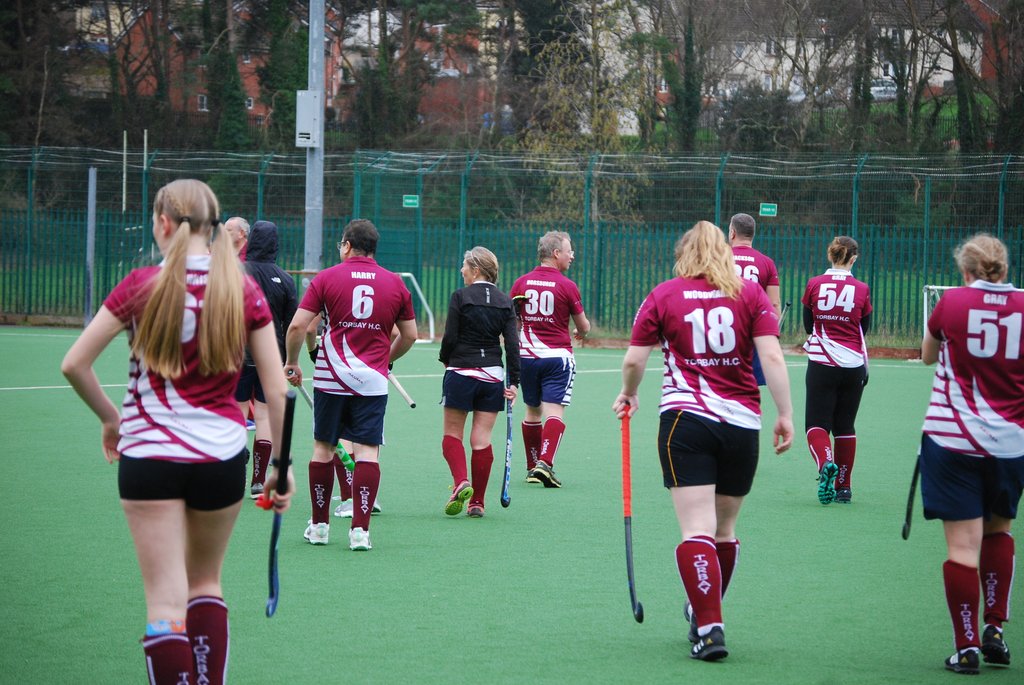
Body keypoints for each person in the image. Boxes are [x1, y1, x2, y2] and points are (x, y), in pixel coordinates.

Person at [60, 179, 294, 685]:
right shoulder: (241, 289)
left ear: (164, 224)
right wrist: (280, 465)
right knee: (206, 583)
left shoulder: (140, 284)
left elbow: (75, 364)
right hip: (221, 456)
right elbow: (279, 390)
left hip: (148, 457)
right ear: (214, 228)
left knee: (165, 600)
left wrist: (111, 419)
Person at [612, 220, 793, 661]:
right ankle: (704, 611)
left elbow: (635, 359)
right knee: (725, 531)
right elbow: (770, 354)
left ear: (685, 252)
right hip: (741, 425)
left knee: (697, 529)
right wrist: (786, 413)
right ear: (726, 251)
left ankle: (708, 625)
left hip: (685, 423)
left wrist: (629, 392)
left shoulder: (665, 293)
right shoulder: (750, 295)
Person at [919, 233, 1023, 674]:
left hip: (953, 441)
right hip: (1011, 444)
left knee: (962, 546)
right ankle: (994, 629)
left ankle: (965, 647)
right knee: (1000, 529)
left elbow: (927, 356)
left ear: (965, 270)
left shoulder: (952, 304)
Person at [284, 219, 418, 551]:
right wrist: (386, 360)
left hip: (330, 378)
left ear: (346, 244)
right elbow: (410, 335)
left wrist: (291, 362)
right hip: (372, 382)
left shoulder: (326, 278)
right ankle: (360, 531)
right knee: (367, 452)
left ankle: (319, 527)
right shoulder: (395, 284)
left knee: (323, 449)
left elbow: (299, 326)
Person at [438, 247, 520, 517]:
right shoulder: (505, 301)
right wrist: (515, 382)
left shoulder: (460, 297)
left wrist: (445, 359)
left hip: (461, 371)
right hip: (492, 376)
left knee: (452, 435)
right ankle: (478, 503)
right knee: (481, 439)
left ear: (475, 270)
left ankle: (462, 481)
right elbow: (512, 345)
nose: (461, 270)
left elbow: (450, 336)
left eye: (464, 266)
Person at [510, 231, 590, 488]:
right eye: (569, 251)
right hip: (557, 357)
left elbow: (515, 322)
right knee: (554, 410)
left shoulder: (521, 283)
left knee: (532, 410)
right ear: (556, 254)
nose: (572, 255)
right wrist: (581, 332)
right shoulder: (568, 286)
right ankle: (545, 463)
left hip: (527, 357)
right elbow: (583, 325)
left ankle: (533, 466)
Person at [800, 236, 872, 505]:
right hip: (853, 366)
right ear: (853, 259)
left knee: (816, 424)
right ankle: (844, 487)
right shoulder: (862, 288)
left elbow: (809, 325)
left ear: (830, 256)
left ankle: (825, 464)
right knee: (845, 425)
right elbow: (863, 328)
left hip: (822, 363)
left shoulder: (814, 284)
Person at [233, 220, 298, 498]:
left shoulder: (233, 273)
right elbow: (291, 322)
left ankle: (234, 473)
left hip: (235, 356)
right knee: (263, 417)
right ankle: (258, 481)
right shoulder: (285, 279)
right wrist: (290, 361)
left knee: (234, 415)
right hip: (271, 359)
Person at [728, 213, 782, 385]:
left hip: (724, 328)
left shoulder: (718, 259)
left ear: (732, 233)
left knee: (722, 381)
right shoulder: (766, 262)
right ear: (752, 234)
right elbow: (774, 303)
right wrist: (773, 333)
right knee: (749, 385)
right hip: (753, 331)